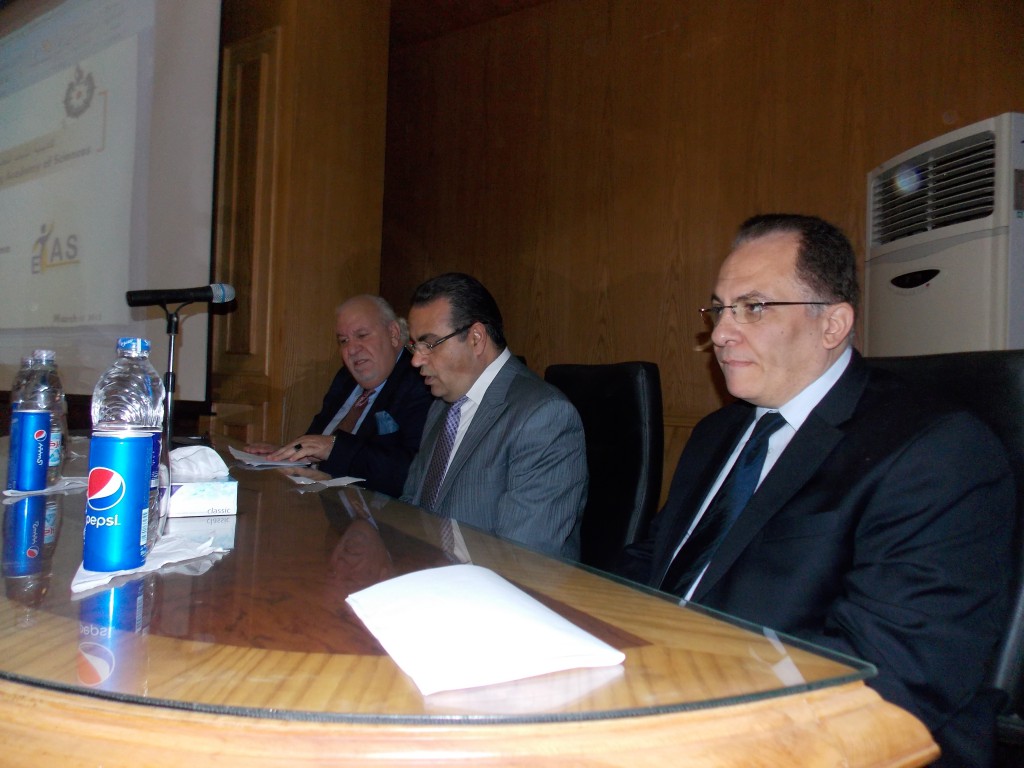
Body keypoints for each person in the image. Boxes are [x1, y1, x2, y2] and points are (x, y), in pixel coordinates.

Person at [615, 214, 1015, 768]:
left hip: (808, 734)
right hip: (658, 690)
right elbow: (652, 564)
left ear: (833, 325)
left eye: (753, 307)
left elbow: (888, 673)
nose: (721, 333)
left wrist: (679, 715)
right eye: (719, 309)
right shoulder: (716, 433)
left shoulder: (934, 451)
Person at [400, 272, 587, 559]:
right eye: (414, 346)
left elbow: (522, 556)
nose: (416, 360)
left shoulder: (544, 417)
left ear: (476, 338)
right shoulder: (441, 407)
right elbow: (412, 504)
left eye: (430, 344)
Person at [245, 295, 433, 497]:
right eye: (344, 341)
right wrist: (286, 456)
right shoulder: (345, 378)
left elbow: (411, 471)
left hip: (370, 508)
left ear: (393, 333)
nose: (351, 349)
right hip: (314, 498)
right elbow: (317, 443)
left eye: (362, 335)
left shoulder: (420, 382)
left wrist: (333, 449)